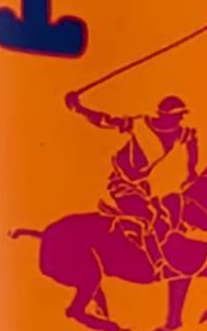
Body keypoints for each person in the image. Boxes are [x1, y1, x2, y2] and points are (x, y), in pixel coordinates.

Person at [65, 90, 199, 273]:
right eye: (178, 116)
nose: (181, 119)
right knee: (148, 217)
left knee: (164, 217)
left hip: (141, 185)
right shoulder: (140, 124)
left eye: (182, 116)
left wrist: (192, 170)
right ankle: (158, 263)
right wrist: (78, 108)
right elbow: (105, 121)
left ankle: (149, 247)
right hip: (120, 182)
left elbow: (192, 141)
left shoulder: (178, 132)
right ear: (166, 116)